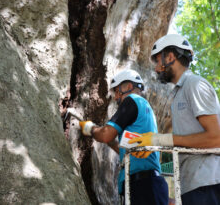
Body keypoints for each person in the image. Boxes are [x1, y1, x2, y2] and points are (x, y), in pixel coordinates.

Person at [129, 34, 220, 205]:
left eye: (157, 61)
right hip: (190, 187)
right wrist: (172, 195)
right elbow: (177, 146)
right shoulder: (178, 94)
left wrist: (159, 139)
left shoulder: (194, 84)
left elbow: (216, 139)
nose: (156, 69)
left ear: (170, 57)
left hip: (208, 184)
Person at [79, 69, 169, 205]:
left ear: (128, 86)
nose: (115, 97)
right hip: (150, 184)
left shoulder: (131, 100)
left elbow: (105, 135)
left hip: (143, 185)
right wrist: (110, 142)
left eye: (116, 91)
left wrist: (90, 128)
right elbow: (128, 149)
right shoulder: (145, 109)